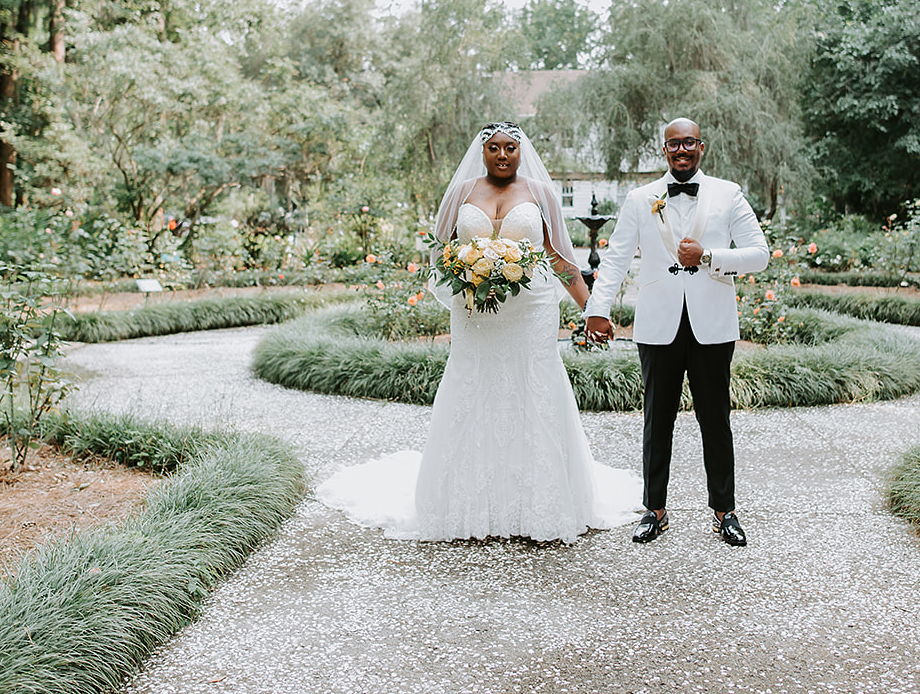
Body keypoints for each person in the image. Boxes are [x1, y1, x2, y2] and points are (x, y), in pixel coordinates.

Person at [316, 122, 638, 543]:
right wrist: (463, 275)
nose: (502, 155)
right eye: (493, 148)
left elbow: (560, 258)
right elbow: (441, 253)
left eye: (510, 148)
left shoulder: (541, 193)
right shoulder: (461, 192)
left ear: (521, 152)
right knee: (474, 386)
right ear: (481, 152)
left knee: (534, 387)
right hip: (474, 311)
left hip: (531, 311)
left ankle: (539, 504)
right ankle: (466, 502)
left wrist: (593, 310)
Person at [584, 118, 769, 546]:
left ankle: (725, 511)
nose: (681, 151)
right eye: (673, 145)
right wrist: (597, 308)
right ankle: (654, 509)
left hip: (713, 324)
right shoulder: (640, 198)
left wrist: (708, 256)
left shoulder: (728, 193)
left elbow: (758, 254)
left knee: (716, 420)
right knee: (656, 420)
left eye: (688, 143)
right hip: (657, 324)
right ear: (663, 150)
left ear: (701, 146)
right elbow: (614, 260)